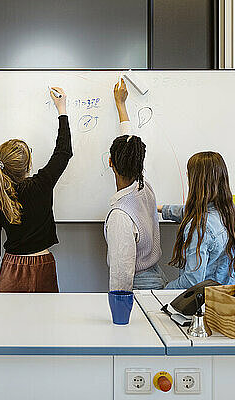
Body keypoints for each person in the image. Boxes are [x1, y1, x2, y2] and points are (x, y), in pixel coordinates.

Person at [0, 87, 72, 293]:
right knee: (46, 325)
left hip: (11, 270)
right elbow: (64, 151)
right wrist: (62, 110)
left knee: (8, 325)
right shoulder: (41, 184)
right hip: (43, 266)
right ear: (27, 165)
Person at [104, 78, 166, 291]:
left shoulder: (121, 216)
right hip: (156, 277)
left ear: (110, 162)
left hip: (138, 287)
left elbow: (121, 277)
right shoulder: (143, 187)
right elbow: (130, 146)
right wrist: (121, 106)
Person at [159, 151, 235, 289]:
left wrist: (162, 291)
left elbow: (191, 282)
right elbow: (188, 211)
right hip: (227, 298)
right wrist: (161, 208)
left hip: (204, 303)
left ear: (197, 182)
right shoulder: (231, 214)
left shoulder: (200, 227)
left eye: (189, 175)